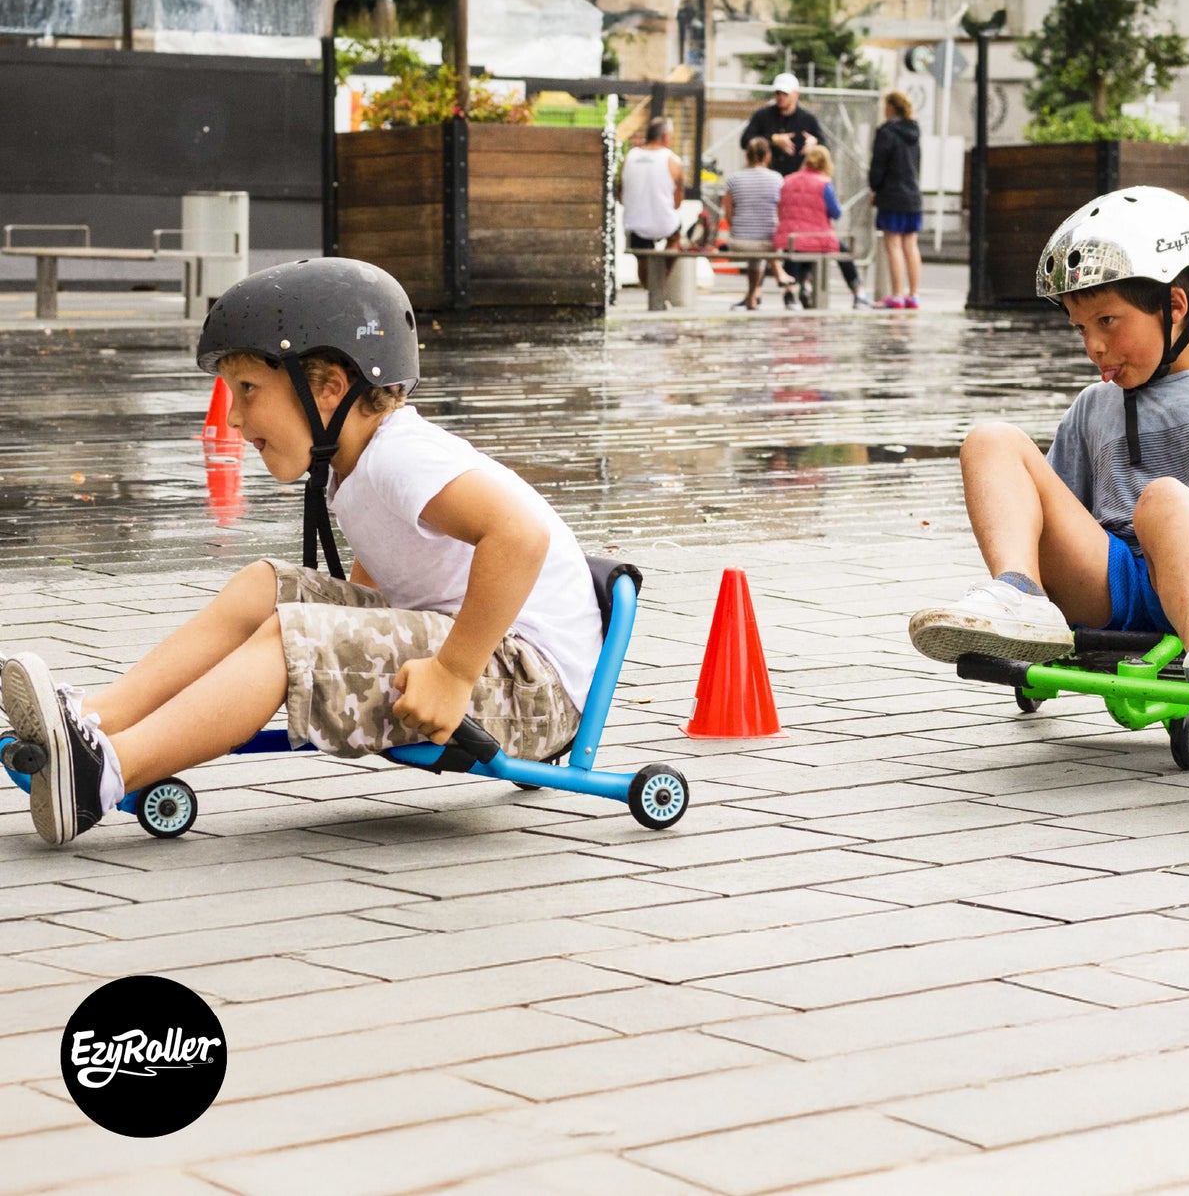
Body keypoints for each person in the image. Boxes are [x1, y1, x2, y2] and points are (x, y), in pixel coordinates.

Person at [1, 259, 603, 846]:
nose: (234, 418)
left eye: (248, 389)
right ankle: (98, 718)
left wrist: (452, 674)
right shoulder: (358, 463)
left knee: (296, 633)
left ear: (330, 388)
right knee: (268, 585)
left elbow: (520, 536)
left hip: (528, 691)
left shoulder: (401, 455)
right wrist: (354, 621)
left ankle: (103, 771)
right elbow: (389, 576)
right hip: (485, 659)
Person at [907, 186, 1189, 755]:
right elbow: (1056, 519)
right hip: (1123, 580)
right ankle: (1018, 598)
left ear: (1175, 306)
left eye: (1108, 320)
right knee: (989, 439)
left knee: (1164, 501)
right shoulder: (1093, 407)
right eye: (1080, 328)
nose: (1094, 347)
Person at [775, 145, 870, 310]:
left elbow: (780, 207)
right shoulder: (824, 184)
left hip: (792, 237)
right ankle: (858, 293)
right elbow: (836, 212)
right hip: (819, 236)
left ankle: (792, 291)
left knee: (798, 249)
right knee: (843, 252)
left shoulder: (788, 180)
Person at [722, 137, 796, 312]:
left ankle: (751, 298)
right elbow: (782, 213)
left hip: (738, 241)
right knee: (767, 243)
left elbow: (728, 214)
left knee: (757, 254)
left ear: (746, 156)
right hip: (767, 244)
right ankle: (778, 272)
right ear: (768, 156)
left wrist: (740, 228)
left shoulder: (734, 179)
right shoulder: (777, 179)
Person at [868, 89, 924, 309]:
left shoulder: (887, 132)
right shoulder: (914, 132)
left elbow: (878, 165)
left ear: (891, 108)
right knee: (911, 246)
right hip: (912, 195)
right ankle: (914, 294)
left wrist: (875, 187)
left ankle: (896, 295)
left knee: (893, 246)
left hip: (892, 194)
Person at [620, 116, 685, 289]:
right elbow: (677, 203)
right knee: (676, 238)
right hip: (664, 225)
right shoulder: (673, 161)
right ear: (665, 137)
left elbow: (621, 196)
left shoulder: (629, 157)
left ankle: (650, 288)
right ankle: (659, 283)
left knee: (642, 253)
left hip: (635, 226)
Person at [739, 71, 826, 179]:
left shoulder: (807, 119)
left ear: (796, 94)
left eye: (785, 93)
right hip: (767, 179)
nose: (781, 97)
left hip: (797, 180)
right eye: (777, 93)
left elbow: (825, 147)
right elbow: (745, 141)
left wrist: (815, 143)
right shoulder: (762, 116)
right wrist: (773, 139)